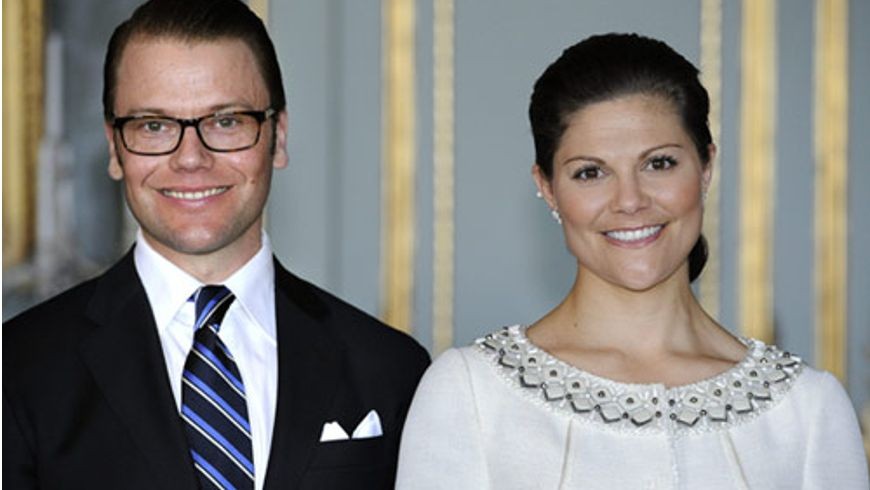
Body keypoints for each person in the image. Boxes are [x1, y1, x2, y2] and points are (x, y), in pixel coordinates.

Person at [396, 33, 868, 489]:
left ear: (706, 167)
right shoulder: (472, 393)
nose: (630, 200)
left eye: (658, 163)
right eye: (590, 172)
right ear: (547, 188)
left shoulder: (806, 408)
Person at [3, 1, 429, 489]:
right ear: (115, 148)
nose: (191, 158)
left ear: (278, 136)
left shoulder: (389, 368)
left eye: (226, 122)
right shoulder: (16, 369)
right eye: (154, 125)